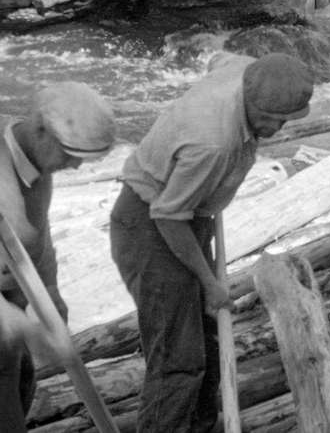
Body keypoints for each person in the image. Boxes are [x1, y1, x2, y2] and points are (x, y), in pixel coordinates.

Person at [111, 52, 313, 433]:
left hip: (188, 217)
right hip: (151, 226)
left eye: (286, 118)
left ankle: (199, 427)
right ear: (250, 101)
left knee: (208, 337)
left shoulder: (243, 72)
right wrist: (210, 283)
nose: (279, 127)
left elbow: (220, 58)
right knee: (178, 358)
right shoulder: (213, 144)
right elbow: (168, 215)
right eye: (272, 118)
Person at [1, 83, 115, 433]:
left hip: (11, 311)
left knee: (21, 387)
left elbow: (39, 234)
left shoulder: (35, 162)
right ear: (40, 131)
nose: (78, 166)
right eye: (70, 154)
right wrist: (21, 327)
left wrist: (49, 287)